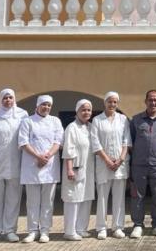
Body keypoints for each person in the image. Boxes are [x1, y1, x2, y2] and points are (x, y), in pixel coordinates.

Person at [0, 89, 28, 243]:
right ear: (0, 100)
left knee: (13, 198)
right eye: (5, 98)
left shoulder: (22, 116)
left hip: (16, 163)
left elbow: (27, 139)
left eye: (10, 97)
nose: (8, 100)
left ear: (14, 99)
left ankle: (10, 230)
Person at [129, 89, 156, 239]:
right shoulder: (136, 120)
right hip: (138, 165)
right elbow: (131, 141)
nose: (153, 102)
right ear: (145, 101)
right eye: (150, 99)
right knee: (137, 195)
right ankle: (137, 225)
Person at [18, 95, 63, 243]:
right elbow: (24, 142)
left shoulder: (55, 121)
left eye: (49, 105)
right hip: (32, 166)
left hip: (49, 167)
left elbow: (58, 141)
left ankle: (45, 231)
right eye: (44, 105)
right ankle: (32, 231)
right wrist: (38, 157)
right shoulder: (27, 121)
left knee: (48, 202)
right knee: (32, 202)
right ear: (37, 106)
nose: (46, 108)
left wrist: (47, 156)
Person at [91, 91, 131, 239]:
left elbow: (126, 141)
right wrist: (107, 160)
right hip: (103, 164)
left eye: (115, 102)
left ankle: (118, 227)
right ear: (105, 102)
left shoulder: (123, 119)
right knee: (102, 196)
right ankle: (101, 227)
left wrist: (120, 160)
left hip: (120, 164)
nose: (112, 104)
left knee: (119, 197)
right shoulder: (97, 120)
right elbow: (96, 143)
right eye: (110, 101)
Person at [62, 99, 95, 240]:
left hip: (88, 169)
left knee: (86, 198)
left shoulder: (91, 127)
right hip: (75, 167)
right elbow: (68, 150)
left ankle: (81, 228)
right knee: (73, 198)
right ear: (77, 111)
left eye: (88, 110)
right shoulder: (71, 128)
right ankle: (70, 231)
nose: (86, 112)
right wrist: (69, 169)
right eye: (83, 110)